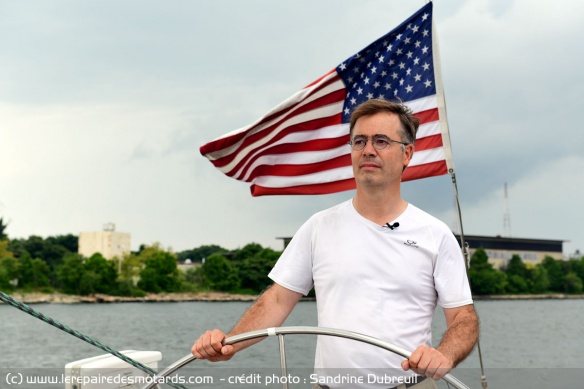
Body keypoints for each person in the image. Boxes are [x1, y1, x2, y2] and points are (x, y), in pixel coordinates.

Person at [192, 98, 479, 389]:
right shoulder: (319, 227)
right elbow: (277, 300)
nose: (368, 150)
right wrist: (228, 345)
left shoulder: (435, 234)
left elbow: (463, 318)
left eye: (381, 141)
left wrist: (443, 355)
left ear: (407, 153)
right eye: (359, 141)